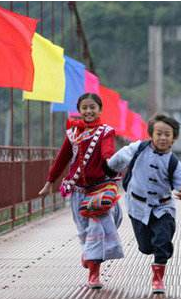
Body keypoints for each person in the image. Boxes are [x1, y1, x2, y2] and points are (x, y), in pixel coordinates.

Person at [39, 93, 124, 289]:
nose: (88, 111)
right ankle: (89, 254)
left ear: (100, 110)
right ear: (80, 110)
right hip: (78, 191)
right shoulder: (73, 133)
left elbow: (107, 150)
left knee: (97, 230)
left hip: (100, 190)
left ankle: (94, 274)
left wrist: (110, 161)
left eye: (92, 107)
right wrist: (49, 182)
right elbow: (62, 159)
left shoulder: (106, 132)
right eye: (84, 107)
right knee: (84, 232)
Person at [106, 114, 181, 294]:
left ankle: (158, 278)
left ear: (174, 138)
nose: (163, 138)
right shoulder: (138, 148)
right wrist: (109, 168)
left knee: (162, 240)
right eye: (159, 133)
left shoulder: (173, 163)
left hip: (163, 207)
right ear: (151, 135)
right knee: (146, 247)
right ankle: (156, 254)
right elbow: (121, 157)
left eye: (167, 134)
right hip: (137, 206)